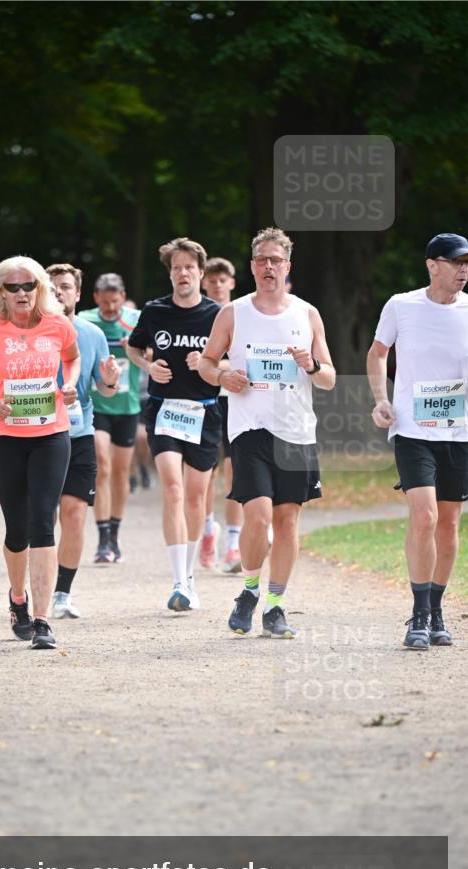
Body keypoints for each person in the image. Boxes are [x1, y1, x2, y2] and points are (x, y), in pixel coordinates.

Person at [199, 226, 335, 637]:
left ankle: (274, 605)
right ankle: (250, 589)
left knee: (288, 522)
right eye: (262, 260)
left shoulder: (306, 313)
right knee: (257, 519)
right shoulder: (233, 313)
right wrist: (224, 377)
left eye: (276, 260)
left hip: (296, 430)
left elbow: (328, 378)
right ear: (253, 266)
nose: (269, 266)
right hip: (249, 428)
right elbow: (207, 364)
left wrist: (310, 364)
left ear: (287, 266)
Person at [0, 256, 80, 650]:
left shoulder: (58, 324)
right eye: (13, 287)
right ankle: (17, 597)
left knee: (44, 522)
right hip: (5, 438)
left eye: (29, 285)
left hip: (51, 435)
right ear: (0, 292)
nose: (22, 293)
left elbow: (72, 359)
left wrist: (70, 384)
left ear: (40, 287)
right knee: (18, 530)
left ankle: (42, 621)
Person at [367, 232, 468, 649]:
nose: (463, 270)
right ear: (433, 265)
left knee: (448, 525)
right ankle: (419, 613)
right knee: (424, 517)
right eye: (456, 262)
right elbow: (377, 353)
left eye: (467, 264)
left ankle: (438, 609)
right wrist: (380, 401)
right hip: (412, 430)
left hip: (460, 432)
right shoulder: (401, 305)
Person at [127, 237, 221, 611]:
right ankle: (178, 580)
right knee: (173, 490)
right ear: (170, 274)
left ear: (201, 273)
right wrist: (148, 367)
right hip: (165, 410)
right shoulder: (154, 311)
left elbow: (234, 363)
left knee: (197, 496)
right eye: (176, 268)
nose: (182, 273)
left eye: (189, 267)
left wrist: (211, 365)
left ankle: (191, 577)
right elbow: (133, 346)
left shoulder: (218, 315)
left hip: (206, 411)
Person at [46, 263, 121, 618]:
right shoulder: (29, 333)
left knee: (74, 515)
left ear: (77, 294)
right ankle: (32, 588)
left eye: (65, 287)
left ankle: (62, 593)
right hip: (39, 437)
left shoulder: (91, 334)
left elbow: (104, 389)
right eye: (53, 287)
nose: (59, 292)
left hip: (79, 434)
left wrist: (108, 381)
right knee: (41, 519)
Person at [78, 274, 140, 564]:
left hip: (127, 406)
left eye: (115, 302)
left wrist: (135, 350)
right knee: (101, 464)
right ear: (96, 298)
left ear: (123, 296)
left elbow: (152, 355)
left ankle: (115, 532)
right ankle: (102, 539)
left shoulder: (135, 319)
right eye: (105, 303)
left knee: (120, 472)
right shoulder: (86, 320)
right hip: (98, 403)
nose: (111, 308)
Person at [200, 257, 243, 572]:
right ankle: (207, 531)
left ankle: (233, 544)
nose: (217, 284)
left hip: (235, 401)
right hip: (202, 400)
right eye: (212, 280)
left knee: (233, 472)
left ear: (232, 282)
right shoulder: (197, 315)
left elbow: (243, 361)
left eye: (222, 279)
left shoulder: (243, 314)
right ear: (205, 283)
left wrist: (217, 366)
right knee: (205, 474)